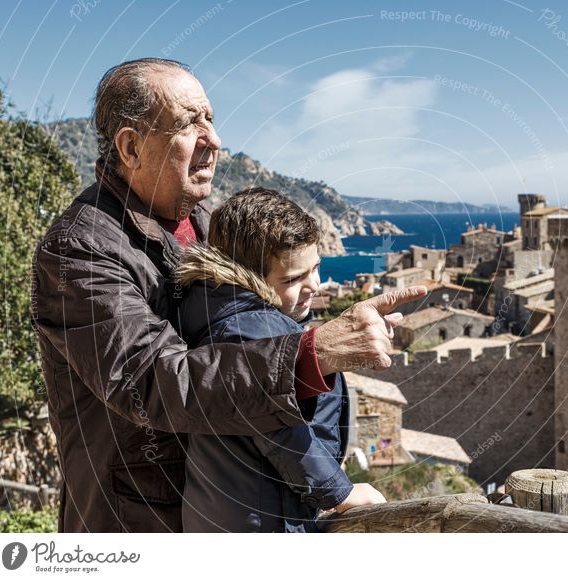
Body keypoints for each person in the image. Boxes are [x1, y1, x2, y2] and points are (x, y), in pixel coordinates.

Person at [30, 58, 425, 532]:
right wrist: (312, 352)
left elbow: (247, 331)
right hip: (139, 521)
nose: (213, 140)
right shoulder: (80, 250)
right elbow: (153, 381)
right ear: (131, 146)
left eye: (211, 120)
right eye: (188, 123)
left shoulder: (202, 224)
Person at [176, 188, 384, 531]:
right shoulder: (250, 328)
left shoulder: (219, 312)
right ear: (250, 276)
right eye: (293, 279)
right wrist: (339, 493)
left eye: (315, 268)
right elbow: (280, 430)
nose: (314, 285)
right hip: (263, 521)